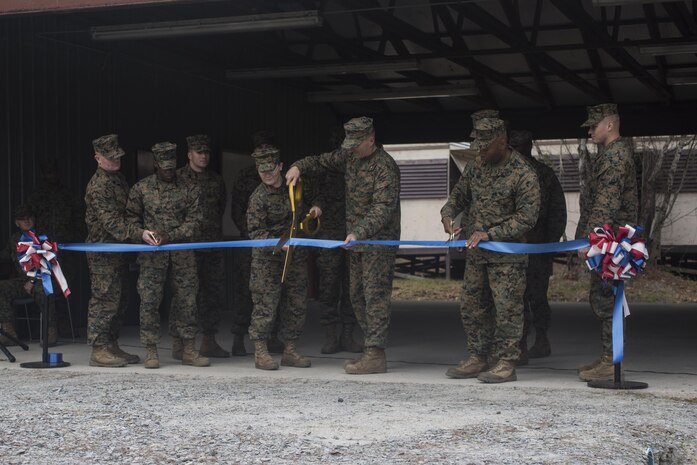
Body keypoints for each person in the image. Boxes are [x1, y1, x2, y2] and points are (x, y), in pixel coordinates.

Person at [286, 116, 401, 375]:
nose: (350, 149)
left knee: (374, 298)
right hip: (356, 243)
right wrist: (298, 167)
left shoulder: (385, 167)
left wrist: (358, 232)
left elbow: (382, 208)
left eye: (356, 144)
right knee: (357, 296)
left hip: (377, 245)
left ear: (371, 140)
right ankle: (371, 350)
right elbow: (321, 161)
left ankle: (375, 353)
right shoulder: (349, 157)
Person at [440, 112, 540, 383]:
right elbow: (458, 197)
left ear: (502, 142)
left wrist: (491, 234)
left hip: (507, 257)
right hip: (477, 255)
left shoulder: (523, 173)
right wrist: (447, 216)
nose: (480, 152)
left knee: (507, 308)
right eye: (477, 147)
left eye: (485, 147)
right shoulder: (476, 166)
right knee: (472, 305)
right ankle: (477, 357)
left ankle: (506, 361)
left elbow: (527, 218)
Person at [126, 142, 208, 369]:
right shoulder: (141, 189)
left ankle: (188, 348)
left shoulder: (190, 188)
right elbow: (131, 219)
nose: (169, 172)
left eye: (172, 167)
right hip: (152, 255)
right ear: (156, 165)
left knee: (187, 301)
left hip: (182, 253)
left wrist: (171, 235)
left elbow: (196, 221)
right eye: (164, 168)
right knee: (150, 301)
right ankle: (151, 350)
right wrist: (143, 234)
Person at [575, 103, 638, 382]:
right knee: (605, 298)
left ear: (610, 125)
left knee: (606, 299)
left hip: (610, 243)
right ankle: (608, 358)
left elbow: (605, 204)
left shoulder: (614, 157)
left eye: (594, 125)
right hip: (610, 239)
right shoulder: (612, 154)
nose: (590, 130)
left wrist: (593, 241)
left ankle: (613, 361)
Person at [246, 145, 322, 370]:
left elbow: (315, 196)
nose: (267, 175)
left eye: (271, 169)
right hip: (267, 260)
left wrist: (316, 208)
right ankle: (261, 352)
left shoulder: (295, 187)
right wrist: (279, 245)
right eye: (262, 171)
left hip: (295, 257)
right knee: (265, 305)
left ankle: (290, 350)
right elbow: (255, 233)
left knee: (296, 302)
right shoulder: (258, 198)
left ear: (280, 166)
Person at [85, 134, 149, 367]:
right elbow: (111, 222)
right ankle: (99, 348)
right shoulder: (99, 186)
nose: (115, 160)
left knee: (121, 299)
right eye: (110, 158)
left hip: (118, 251)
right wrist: (139, 233)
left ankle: (111, 343)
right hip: (104, 252)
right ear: (98, 158)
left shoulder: (118, 179)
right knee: (105, 299)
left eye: (117, 156)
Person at [509, 130, 567, 363]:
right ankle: (522, 343)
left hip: (536, 246)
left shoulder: (543, 174)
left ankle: (537, 339)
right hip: (517, 245)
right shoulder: (514, 173)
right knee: (519, 296)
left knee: (533, 296)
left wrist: (549, 245)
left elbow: (557, 213)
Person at [173, 134, 229, 359]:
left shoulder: (216, 180)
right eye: (199, 152)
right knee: (184, 295)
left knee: (212, 294)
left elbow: (220, 208)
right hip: (187, 246)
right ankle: (179, 342)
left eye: (206, 152)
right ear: (189, 155)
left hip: (212, 244)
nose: (204, 156)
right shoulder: (177, 179)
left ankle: (208, 340)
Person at [229, 130, 284, 356]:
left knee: (275, 292)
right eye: (259, 150)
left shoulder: (280, 180)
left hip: (278, 243)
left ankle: (272, 337)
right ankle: (238, 338)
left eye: (267, 148)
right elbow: (236, 211)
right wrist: (255, 234)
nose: (263, 153)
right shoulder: (246, 178)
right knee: (247, 292)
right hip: (251, 242)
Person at [308, 127, 361, 355]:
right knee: (329, 287)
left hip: (354, 234)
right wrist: (316, 207)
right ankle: (331, 335)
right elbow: (314, 193)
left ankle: (348, 334)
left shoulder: (360, 169)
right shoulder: (324, 169)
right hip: (329, 236)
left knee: (352, 287)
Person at [27, 157, 86, 338]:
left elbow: (79, 220)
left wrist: (78, 240)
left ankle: (66, 323)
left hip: (66, 249)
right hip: (44, 250)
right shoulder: (36, 197)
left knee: (66, 286)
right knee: (48, 286)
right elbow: (29, 222)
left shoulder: (68, 195)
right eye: (47, 172)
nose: (51, 176)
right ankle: (51, 328)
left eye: (53, 172)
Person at [0, 204, 57, 347]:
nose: (26, 221)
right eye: (22, 219)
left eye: (29, 218)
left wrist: (32, 280)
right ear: (16, 223)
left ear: (34, 220)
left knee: (43, 290)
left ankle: (50, 331)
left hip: (42, 278)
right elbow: (5, 256)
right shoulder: (15, 239)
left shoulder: (43, 237)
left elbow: (47, 263)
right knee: (1, 288)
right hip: (23, 281)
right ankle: (9, 332)